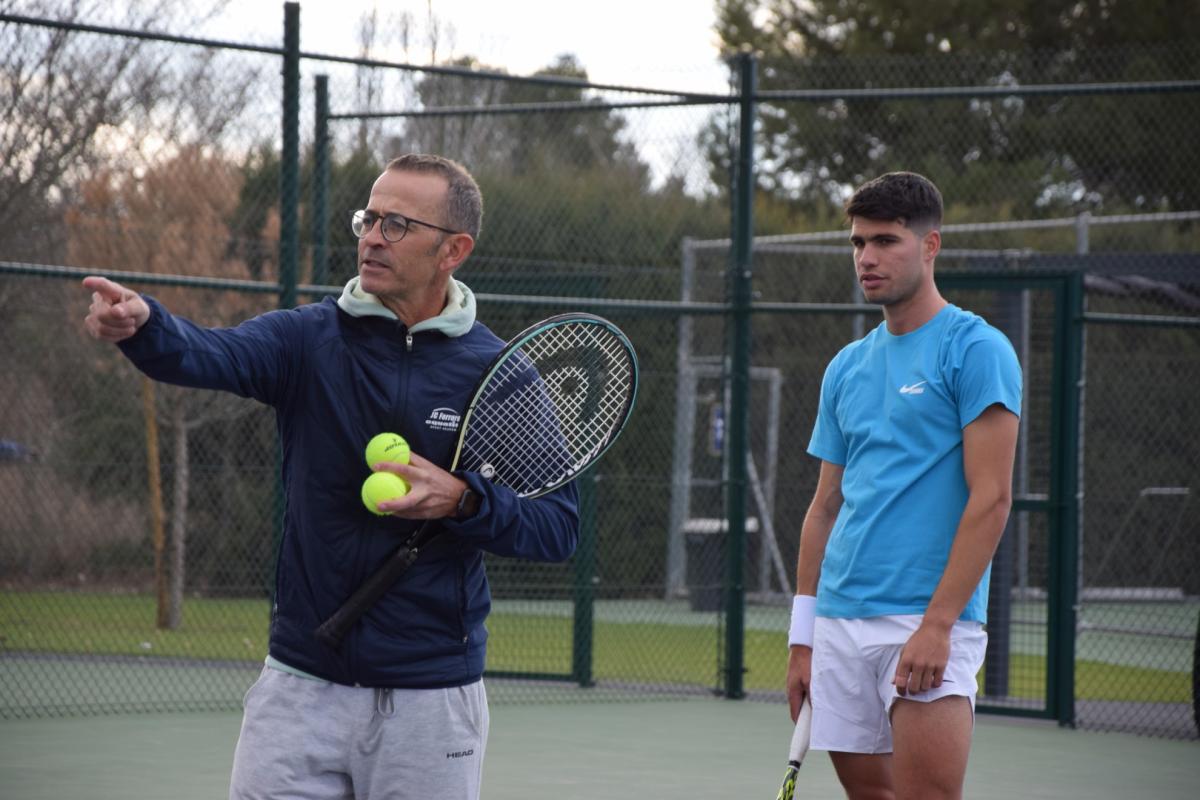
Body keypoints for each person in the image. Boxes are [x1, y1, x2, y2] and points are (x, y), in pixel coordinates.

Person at [83, 153, 579, 800]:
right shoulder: (307, 340)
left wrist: (462, 501)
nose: (372, 236)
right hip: (299, 688)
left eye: (397, 224)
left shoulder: (501, 375)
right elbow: (209, 352)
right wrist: (145, 326)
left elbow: (558, 527)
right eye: (368, 218)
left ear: (453, 249)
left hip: (432, 699)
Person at [785, 172, 1022, 800]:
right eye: (858, 243)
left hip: (927, 620)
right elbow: (824, 508)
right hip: (838, 620)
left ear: (930, 245)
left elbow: (992, 498)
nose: (867, 258)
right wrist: (802, 639)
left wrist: (939, 625)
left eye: (886, 241)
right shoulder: (845, 367)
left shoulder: (977, 350)